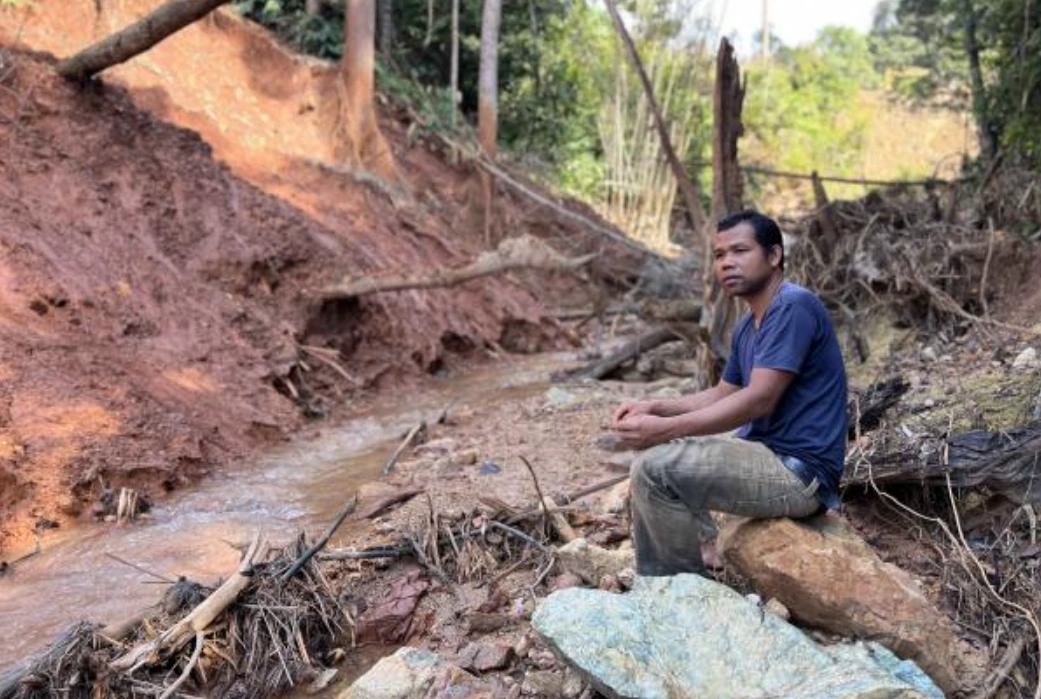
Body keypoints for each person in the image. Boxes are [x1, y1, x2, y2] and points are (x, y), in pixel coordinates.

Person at [612, 210, 848, 577]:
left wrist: (667, 429)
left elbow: (758, 399)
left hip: (798, 475)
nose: (727, 263)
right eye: (720, 255)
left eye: (740, 251)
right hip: (764, 457)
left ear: (774, 256)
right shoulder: (746, 326)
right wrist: (655, 408)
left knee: (655, 470)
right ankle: (708, 547)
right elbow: (724, 392)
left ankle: (674, 593)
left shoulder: (791, 306)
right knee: (653, 452)